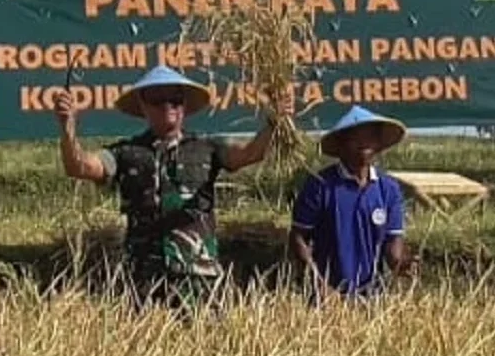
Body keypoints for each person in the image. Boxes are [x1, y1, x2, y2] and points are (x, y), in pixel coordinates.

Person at [54, 65, 293, 315]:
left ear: (185, 105)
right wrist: (67, 127)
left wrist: (273, 123)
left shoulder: (206, 147)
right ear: (143, 105)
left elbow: (249, 155)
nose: (168, 106)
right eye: (158, 100)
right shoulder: (126, 153)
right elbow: (79, 167)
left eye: (175, 99)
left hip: (198, 274)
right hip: (144, 276)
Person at [289, 105, 410, 301]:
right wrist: (319, 283)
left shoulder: (388, 189)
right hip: (327, 295)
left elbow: (392, 244)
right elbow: (298, 237)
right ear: (341, 144)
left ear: (378, 144)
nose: (364, 143)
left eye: (370, 136)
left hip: (373, 296)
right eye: (356, 137)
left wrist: (401, 263)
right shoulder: (320, 186)